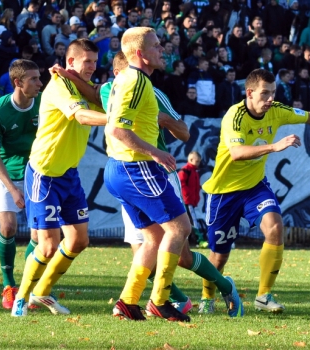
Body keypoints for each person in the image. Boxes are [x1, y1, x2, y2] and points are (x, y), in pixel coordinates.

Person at [201, 68, 310, 313]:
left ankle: (263, 296)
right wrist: (274, 146)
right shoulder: (234, 116)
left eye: (273, 93)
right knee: (219, 256)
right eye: (265, 94)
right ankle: (207, 298)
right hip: (224, 192)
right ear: (249, 93)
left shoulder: (276, 110)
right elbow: (237, 154)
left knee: (276, 227)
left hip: (255, 187)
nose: (270, 99)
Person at [102, 27, 225, 323]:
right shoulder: (136, 81)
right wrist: (155, 152)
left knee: (154, 238)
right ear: (141, 54)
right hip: (137, 167)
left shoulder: (129, 79)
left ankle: (128, 302)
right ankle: (159, 301)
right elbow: (117, 130)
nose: (163, 50)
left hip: (119, 169)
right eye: (157, 46)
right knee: (179, 228)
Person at [11, 38, 107, 317]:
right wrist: (117, 118)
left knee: (78, 241)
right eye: (86, 61)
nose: (92, 66)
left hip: (68, 173)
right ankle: (22, 296)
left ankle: (42, 293)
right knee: (49, 245)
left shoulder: (83, 87)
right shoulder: (59, 86)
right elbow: (82, 117)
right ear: (71, 62)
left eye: (94, 60)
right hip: (45, 172)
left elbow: (100, 99)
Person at [0, 59, 41, 309]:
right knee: (8, 227)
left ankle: (27, 288)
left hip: (36, 171)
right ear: (18, 83)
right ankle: (9, 285)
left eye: (40, 78)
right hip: (6, 173)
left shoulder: (43, 103)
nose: (40, 84)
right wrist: (12, 189)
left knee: (40, 235)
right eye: (34, 79)